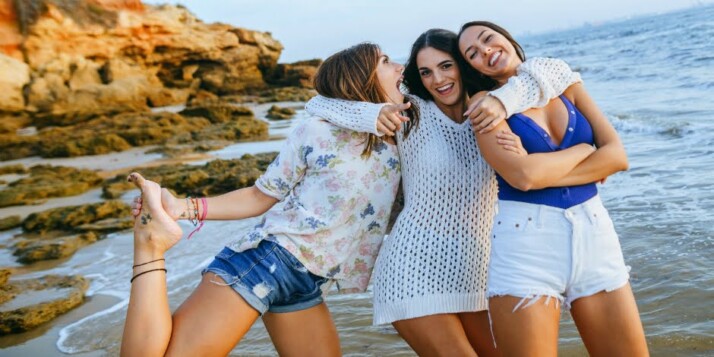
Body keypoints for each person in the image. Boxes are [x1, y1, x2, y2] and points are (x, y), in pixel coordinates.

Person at [120, 43, 411, 357]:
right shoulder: (319, 130)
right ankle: (148, 245)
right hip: (265, 261)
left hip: (306, 283)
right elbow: (260, 195)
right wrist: (183, 208)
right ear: (359, 80)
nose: (400, 67)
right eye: (385, 61)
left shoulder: (403, 142)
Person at [305, 28, 578, 356]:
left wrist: (503, 100)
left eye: (446, 66)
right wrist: (372, 112)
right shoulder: (410, 112)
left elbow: (557, 71)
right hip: (413, 271)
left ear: (464, 64)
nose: (438, 79)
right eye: (426, 72)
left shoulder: (495, 108)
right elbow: (320, 104)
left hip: (480, 271)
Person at [457, 21, 649, 356]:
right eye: (472, 53)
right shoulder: (484, 104)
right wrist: (585, 153)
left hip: (596, 235)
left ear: (509, 39)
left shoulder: (565, 84)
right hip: (526, 246)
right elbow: (522, 178)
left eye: (488, 39)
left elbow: (618, 156)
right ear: (472, 67)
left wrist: (544, 172)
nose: (485, 51)